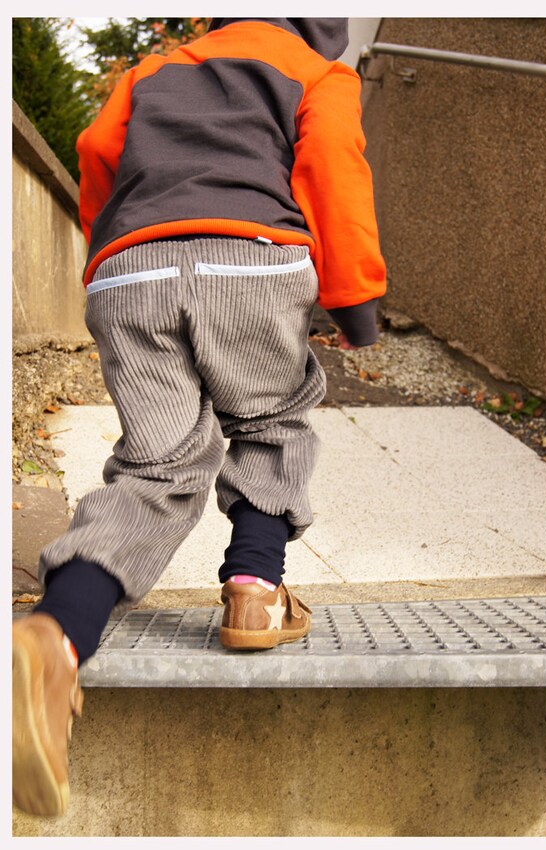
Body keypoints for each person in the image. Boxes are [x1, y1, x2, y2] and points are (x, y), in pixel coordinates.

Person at [12, 17, 386, 817]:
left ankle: (58, 635)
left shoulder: (154, 68)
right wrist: (355, 301)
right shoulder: (317, 72)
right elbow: (333, 172)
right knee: (274, 420)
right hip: (247, 254)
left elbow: (93, 152)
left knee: (158, 461)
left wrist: (112, 251)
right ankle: (255, 591)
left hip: (129, 268)